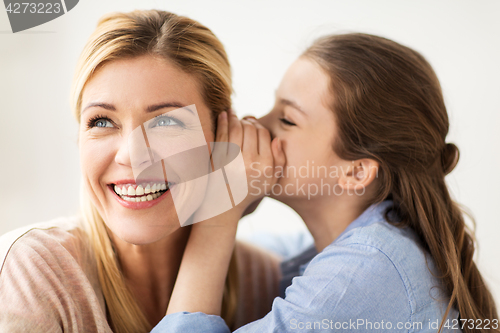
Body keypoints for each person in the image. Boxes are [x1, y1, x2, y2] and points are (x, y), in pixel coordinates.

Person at [151, 33, 499, 332]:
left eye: (287, 119)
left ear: (356, 171)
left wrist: (219, 216)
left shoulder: (365, 270)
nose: (256, 121)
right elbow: (268, 252)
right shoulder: (362, 244)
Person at [0, 10, 282, 333]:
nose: (131, 156)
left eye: (165, 122)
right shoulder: (31, 272)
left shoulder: (265, 279)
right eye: (102, 122)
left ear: (223, 138)